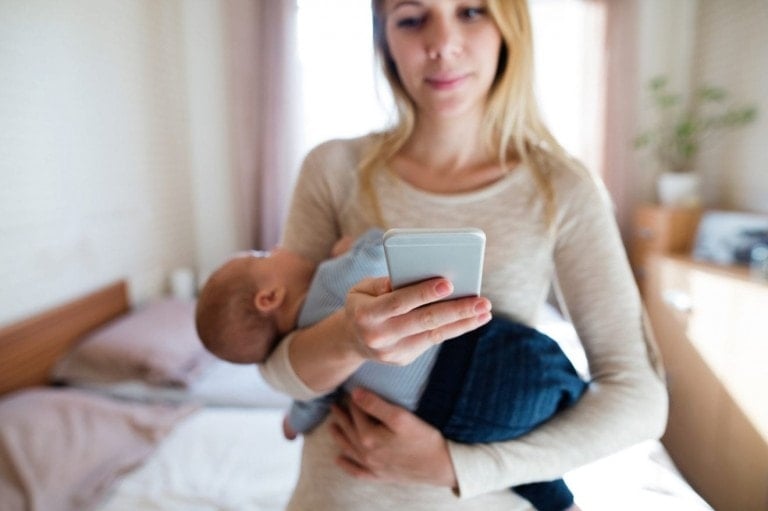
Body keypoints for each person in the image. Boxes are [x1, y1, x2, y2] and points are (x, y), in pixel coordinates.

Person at [205, 1, 669, 509]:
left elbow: (639, 400)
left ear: (509, 26)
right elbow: (273, 366)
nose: (442, 44)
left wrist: (455, 465)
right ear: (385, 39)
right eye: (411, 17)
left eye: (470, 11)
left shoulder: (563, 188)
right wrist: (348, 338)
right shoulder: (333, 169)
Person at [195, 228, 588, 511]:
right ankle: (583, 398)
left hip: (446, 419)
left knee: (509, 444)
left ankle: (558, 500)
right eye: (263, 257)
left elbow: (314, 400)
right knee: (550, 372)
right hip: (475, 361)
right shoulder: (331, 282)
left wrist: (293, 424)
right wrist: (352, 244)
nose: (278, 246)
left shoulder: (312, 356)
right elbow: (379, 248)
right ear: (269, 297)